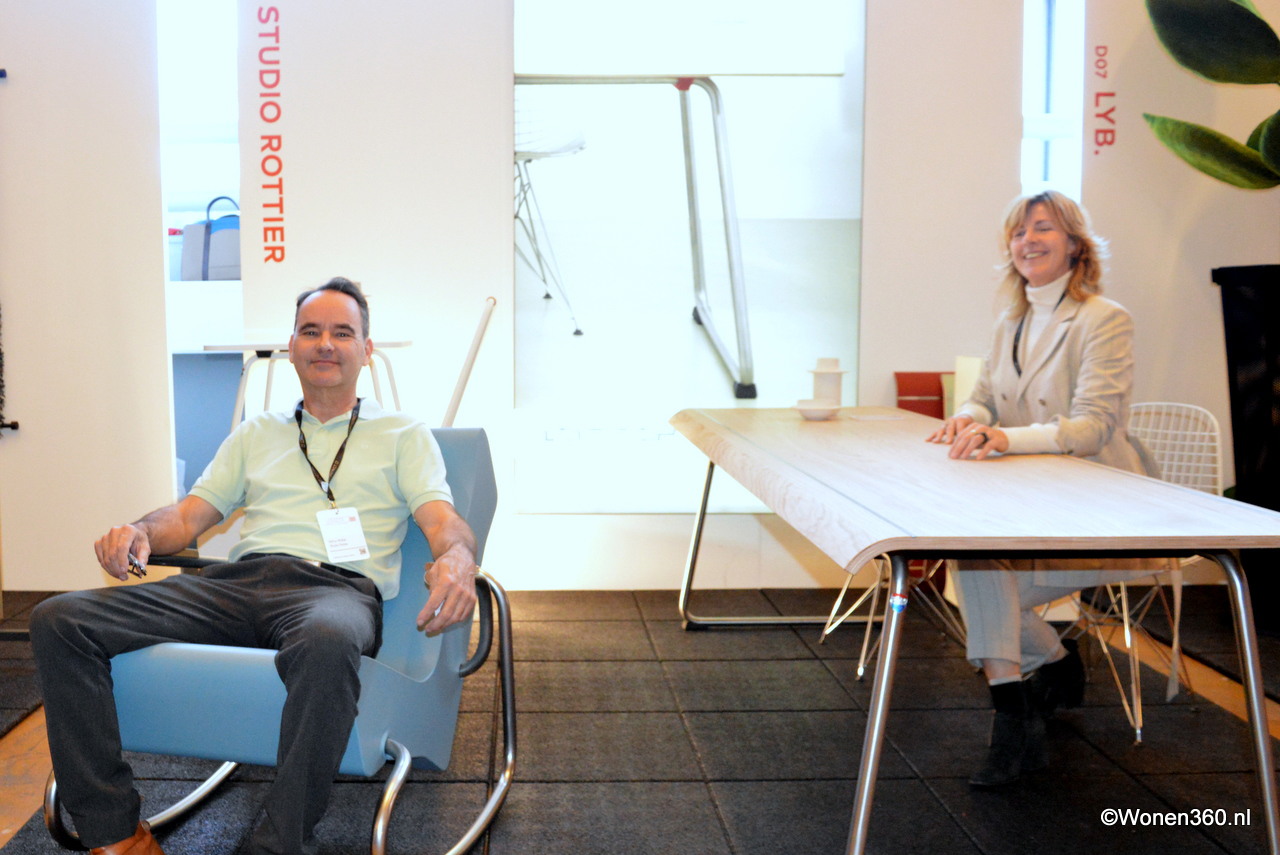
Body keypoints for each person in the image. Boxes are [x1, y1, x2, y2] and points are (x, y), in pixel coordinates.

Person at [30, 277, 480, 855]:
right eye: (310, 331)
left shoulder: (403, 434)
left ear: (367, 350)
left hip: (334, 591)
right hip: (237, 584)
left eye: (342, 333)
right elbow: (188, 517)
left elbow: (442, 522)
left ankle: (278, 843)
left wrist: (457, 559)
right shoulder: (257, 432)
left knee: (327, 641)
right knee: (60, 619)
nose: (325, 344)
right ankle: (114, 832)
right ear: (291, 347)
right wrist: (140, 530)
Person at [926, 191, 1157, 789]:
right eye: (1018, 231)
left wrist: (1004, 438)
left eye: (1043, 228)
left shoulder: (1105, 319)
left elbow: (1093, 427)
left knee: (979, 572)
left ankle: (1027, 701)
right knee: (977, 564)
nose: (1028, 240)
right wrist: (967, 417)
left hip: (1104, 515)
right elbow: (985, 397)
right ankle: (1027, 695)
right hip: (1033, 508)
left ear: (1076, 244)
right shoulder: (1011, 321)